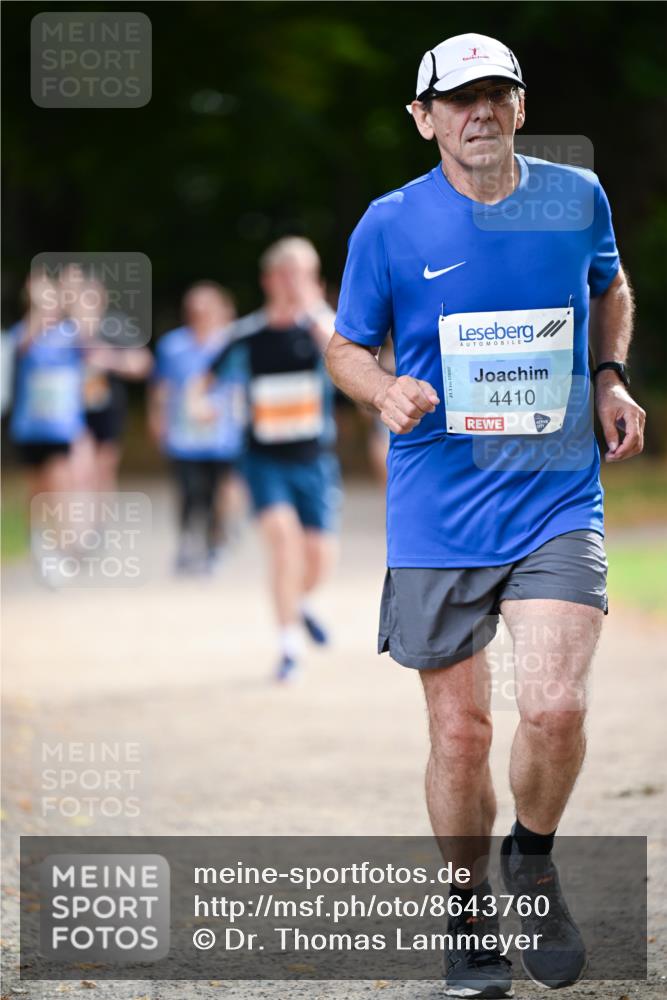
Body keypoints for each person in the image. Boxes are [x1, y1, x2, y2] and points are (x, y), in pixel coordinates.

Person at [326, 32, 645, 999]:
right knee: (460, 736)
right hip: (438, 509)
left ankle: (531, 858)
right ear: (423, 118)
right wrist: (382, 389)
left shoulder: (573, 197)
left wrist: (607, 374)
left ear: (518, 106)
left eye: (496, 94)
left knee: (554, 705)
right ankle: (466, 914)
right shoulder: (389, 224)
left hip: (555, 494)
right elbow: (345, 347)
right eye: (458, 99)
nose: (480, 113)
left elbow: (609, 284)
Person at [209, 237, 341, 682]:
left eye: (304, 274)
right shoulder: (246, 335)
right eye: (287, 274)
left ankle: (298, 602)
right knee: (284, 543)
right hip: (263, 458)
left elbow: (350, 365)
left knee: (318, 557)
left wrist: (314, 315)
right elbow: (207, 381)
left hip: (314, 459)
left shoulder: (325, 328)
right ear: (269, 280)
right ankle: (288, 647)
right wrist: (203, 406)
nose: (294, 283)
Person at [149, 282, 243, 573]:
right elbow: (162, 387)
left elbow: (240, 387)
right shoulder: (172, 346)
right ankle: (187, 540)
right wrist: (158, 419)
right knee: (189, 490)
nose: (200, 314)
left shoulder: (230, 343)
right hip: (185, 435)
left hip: (222, 434)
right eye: (194, 309)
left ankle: (214, 544)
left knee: (219, 492)